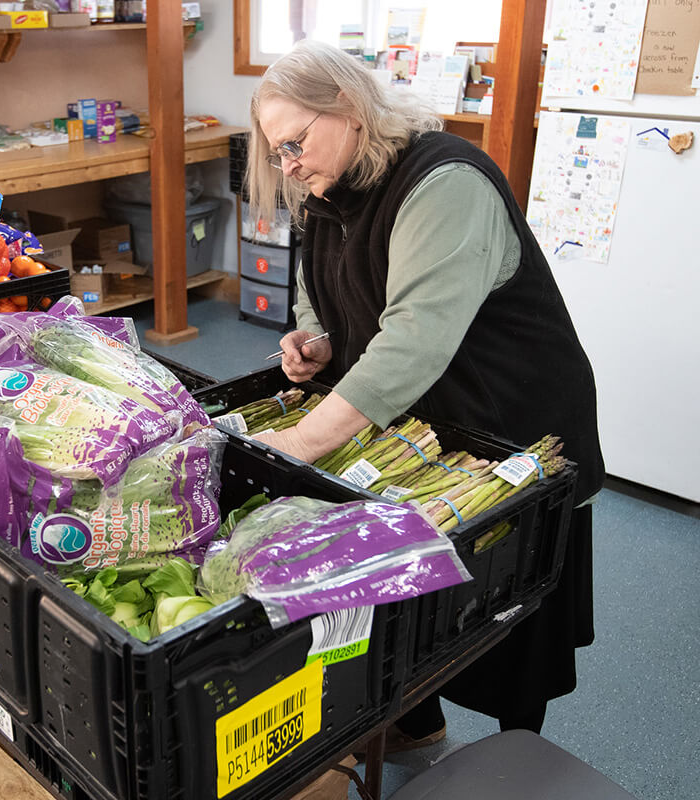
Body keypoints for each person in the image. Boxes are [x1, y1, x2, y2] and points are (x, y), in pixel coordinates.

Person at [245, 40, 604, 746]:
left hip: (510, 415)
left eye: (295, 144)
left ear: (346, 108)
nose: (289, 165)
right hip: (418, 419)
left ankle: (517, 754)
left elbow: (412, 343)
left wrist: (289, 447)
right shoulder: (326, 181)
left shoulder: (445, 183)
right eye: (277, 153)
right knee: (412, 597)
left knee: (506, 605)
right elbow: (316, 283)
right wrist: (315, 337)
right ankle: (417, 728)